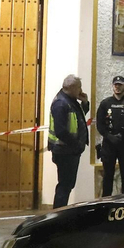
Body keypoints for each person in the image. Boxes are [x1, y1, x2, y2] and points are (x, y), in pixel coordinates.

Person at [96, 74, 124, 197]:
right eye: (116, 85)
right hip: (109, 145)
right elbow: (100, 124)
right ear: (112, 86)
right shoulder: (105, 104)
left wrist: (123, 135)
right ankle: (106, 202)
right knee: (108, 175)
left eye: (120, 85)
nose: (117, 87)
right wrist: (109, 136)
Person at [49, 75, 89, 208]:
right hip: (65, 151)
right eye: (79, 87)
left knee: (67, 185)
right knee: (64, 186)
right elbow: (61, 131)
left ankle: (59, 213)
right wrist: (77, 145)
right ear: (72, 88)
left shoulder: (70, 100)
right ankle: (57, 216)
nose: (80, 90)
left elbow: (79, 117)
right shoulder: (61, 104)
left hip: (70, 150)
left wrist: (84, 103)